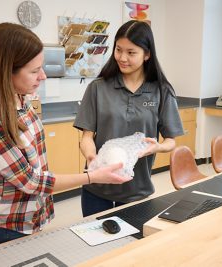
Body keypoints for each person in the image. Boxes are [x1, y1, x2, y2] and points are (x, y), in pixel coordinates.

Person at [0, 23, 131, 249]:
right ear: (6, 70)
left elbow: (35, 163)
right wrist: (93, 176)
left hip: (32, 216)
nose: (43, 76)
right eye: (33, 71)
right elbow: (30, 181)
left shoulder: (19, 97)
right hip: (5, 225)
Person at [74, 20, 184, 217]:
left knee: (134, 246)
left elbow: (170, 142)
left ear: (147, 54)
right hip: (98, 187)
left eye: (131, 52)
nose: (122, 57)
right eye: (118, 50)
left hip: (137, 190)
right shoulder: (98, 88)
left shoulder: (161, 91)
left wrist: (156, 147)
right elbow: (87, 137)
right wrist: (91, 157)